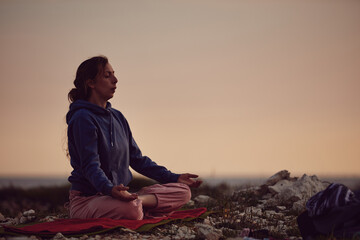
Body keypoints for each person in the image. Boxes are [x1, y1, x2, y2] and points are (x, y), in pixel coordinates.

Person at [66, 56, 202, 220]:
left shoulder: (118, 117)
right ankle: (137, 205)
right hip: (88, 200)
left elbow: (137, 159)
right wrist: (109, 189)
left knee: (183, 192)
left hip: (120, 196)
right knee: (131, 210)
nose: (115, 80)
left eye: (114, 74)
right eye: (107, 76)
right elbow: (90, 166)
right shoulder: (82, 118)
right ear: (91, 83)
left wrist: (174, 177)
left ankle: (138, 201)